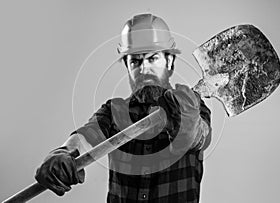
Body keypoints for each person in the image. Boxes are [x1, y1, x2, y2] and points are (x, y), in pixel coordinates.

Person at [35, 13, 212, 203]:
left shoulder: (191, 106)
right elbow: (85, 136)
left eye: (152, 59)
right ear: (127, 67)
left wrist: (187, 125)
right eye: (135, 61)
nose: (144, 70)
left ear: (169, 61)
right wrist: (64, 153)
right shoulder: (114, 111)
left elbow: (201, 137)